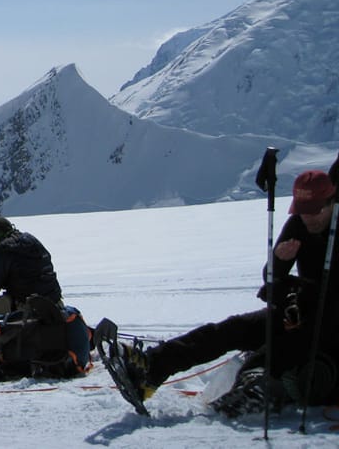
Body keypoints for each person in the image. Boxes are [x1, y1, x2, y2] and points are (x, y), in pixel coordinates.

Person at [104, 170, 339, 414]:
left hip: (327, 327)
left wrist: (295, 292)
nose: (308, 218)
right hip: (298, 312)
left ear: (331, 202)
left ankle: (254, 383)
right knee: (230, 329)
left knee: (278, 345)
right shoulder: (298, 225)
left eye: (315, 211)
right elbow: (270, 279)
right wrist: (279, 264)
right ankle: (152, 368)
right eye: (302, 210)